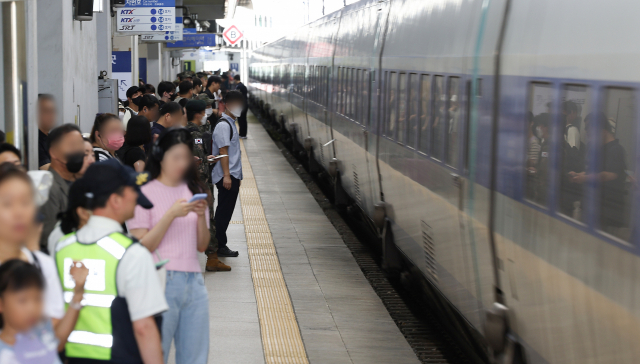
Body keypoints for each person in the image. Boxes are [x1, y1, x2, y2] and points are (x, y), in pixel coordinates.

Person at [54, 159, 167, 363]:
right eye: (132, 191)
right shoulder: (131, 253)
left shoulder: (62, 248)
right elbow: (144, 328)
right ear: (115, 201)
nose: (136, 196)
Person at [128, 129, 211, 363]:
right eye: (175, 157)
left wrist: (202, 216)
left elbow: (202, 246)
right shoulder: (143, 193)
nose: (181, 163)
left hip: (194, 282)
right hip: (159, 280)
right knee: (156, 353)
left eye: (185, 157)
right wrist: (170, 215)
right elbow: (142, 246)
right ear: (160, 156)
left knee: (195, 357)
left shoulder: (194, 191)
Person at [0, 164, 88, 350]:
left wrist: (77, 296)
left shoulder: (42, 264)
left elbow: (55, 342)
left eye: (26, 203)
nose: (19, 213)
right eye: (7, 203)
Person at [0, 260, 87, 362]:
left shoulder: (41, 335)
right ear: (1, 304)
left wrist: (78, 293)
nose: (32, 308)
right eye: (23, 300)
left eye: (38, 299)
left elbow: (59, 341)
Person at [185, 100, 230, 272]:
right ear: (198, 114)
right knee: (207, 218)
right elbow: (196, 162)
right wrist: (207, 159)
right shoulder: (194, 133)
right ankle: (212, 257)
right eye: (204, 112)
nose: (206, 114)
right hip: (200, 182)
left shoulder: (182, 131)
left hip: (190, 182)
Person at [570, 113, 628, 234]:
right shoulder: (597, 148)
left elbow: (609, 174)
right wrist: (579, 174)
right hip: (592, 207)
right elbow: (592, 170)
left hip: (607, 211)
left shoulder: (615, 150)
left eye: (589, 130)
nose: (587, 133)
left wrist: (585, 178)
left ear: (602, 130)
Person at [40, 124, 85, 253]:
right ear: (53, 152)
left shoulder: (80, 183)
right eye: (72, 145)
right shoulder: (48, 188)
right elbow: (49, 237)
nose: (78, 151)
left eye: (80, 145)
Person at [211, 91, 244, 258]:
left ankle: (220, 243)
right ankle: (219, 245)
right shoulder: (224, 125)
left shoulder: (231, 123)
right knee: (223, 212)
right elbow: (223, 151)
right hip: (227, 175)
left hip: (232, 174)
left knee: (226, 211)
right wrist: (227, 176)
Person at [38, 94, 57, 170]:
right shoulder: (34, 140)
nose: (51, 115)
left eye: (53, 111)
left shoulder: (52, 139)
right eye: (46, 111)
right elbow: (46, 168)